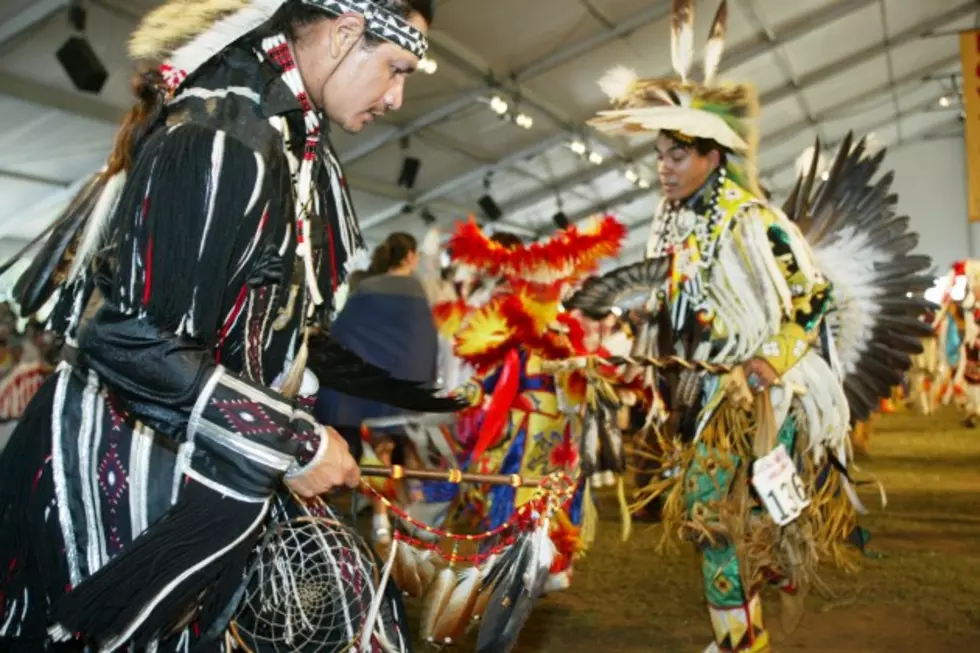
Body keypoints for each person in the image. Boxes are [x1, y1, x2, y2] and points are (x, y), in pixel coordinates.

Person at [0, 1, 445, 651]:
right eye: (396, 68)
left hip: (209, 455)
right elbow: (127, 337)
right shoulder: (223, 133)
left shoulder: (292, 141)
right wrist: (293, 440)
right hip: (128, 473)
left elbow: (265, 326)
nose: (397, 96)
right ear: (347, 33)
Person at [586, 2, 933, 650]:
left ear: (713, 156)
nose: (663, 165)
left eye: (677, 153)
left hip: (766, 390)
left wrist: (767, 363)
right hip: (718, 391)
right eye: (659, 154)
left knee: (725, 515)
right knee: (715, 516)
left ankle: (749, 620)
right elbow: (688, 303)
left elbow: (811, 297)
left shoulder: (753, 220)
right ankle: (742, 629)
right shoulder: (687, 224)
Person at [314, 232, 439, 541]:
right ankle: (411, 516)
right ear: (410, 256)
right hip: (408, 386)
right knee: (407, 448)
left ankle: (382, 519)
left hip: (370, 388)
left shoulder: (368, 288)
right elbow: (425, 342)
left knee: (379, 449)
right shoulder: (417, 290)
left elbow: (344, 333)